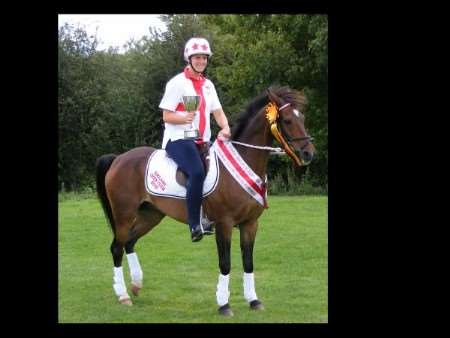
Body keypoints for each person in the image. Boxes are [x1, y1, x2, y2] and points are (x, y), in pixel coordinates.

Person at [159, 37, 231, 242]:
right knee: (197, 172)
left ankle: (211, 215)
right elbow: (166, 116)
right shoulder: (177, 83)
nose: (201, 61)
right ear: (189, 59)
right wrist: (183, 117)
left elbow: (218, 112)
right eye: (197, 58)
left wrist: (225, 127)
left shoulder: (208, 85)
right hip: (178, 139)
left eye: (204, 58)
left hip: (201, 140)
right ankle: (194, 224)